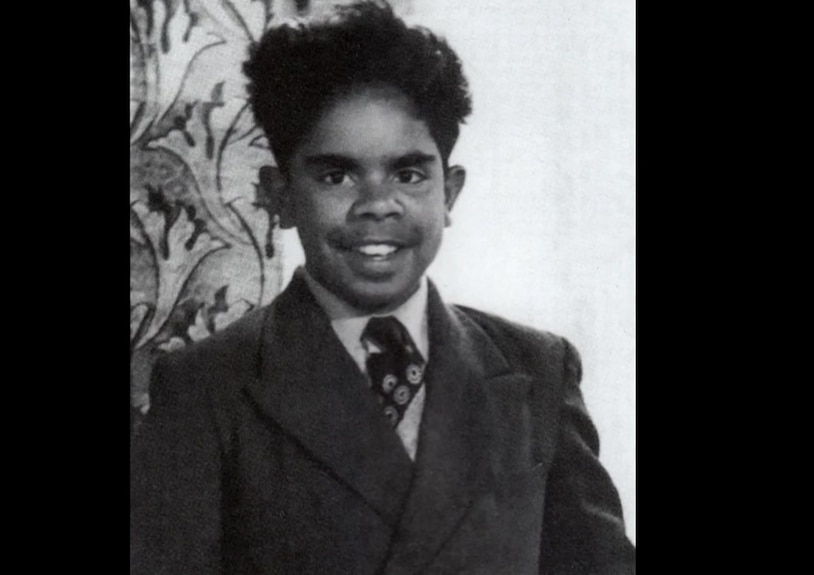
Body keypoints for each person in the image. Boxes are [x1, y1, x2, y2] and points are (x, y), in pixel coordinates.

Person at [130, 2, 635, 573]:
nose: (377, 205)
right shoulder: (206, 389)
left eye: (409, 173)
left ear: (450, 194)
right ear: (280, 196)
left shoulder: (539, 370)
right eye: (335, 175)